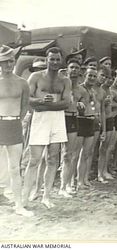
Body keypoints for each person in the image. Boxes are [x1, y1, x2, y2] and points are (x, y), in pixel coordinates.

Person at [22, 47, 71, 209]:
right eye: (52, 59)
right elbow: (27, 99)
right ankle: (25, 197)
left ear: (61, 60)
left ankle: (46, 196)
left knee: (52, 159)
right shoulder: (36, 76)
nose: (55, 62)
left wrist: (50, 105)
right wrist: (41, 102)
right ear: (47, 59)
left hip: (57, 120)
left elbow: (66, 103)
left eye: (58, 59)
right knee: (34, 159)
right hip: (40, 119)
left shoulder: (65, 80)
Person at [0, 45, 33, 216]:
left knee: (15, 168)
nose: (8, 65)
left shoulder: (22, 83)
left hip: (13, 126)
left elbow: (25, 106)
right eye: (4, 62)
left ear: (14, 62)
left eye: (10, 61)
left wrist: (16, 121)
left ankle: (18, 205)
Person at [59, 59, 87, 196]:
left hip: (72, 118)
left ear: (80, 71)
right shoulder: (60, 83)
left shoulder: (82, 90)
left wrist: (81, 106)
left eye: (77, 67)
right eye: (72, 67)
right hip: (59, 118)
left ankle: (66, 185)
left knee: (69, 154)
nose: (74, 70)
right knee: (50, 154)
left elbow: (84, 106)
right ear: (67, 69)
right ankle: (40, 185)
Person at [76, 68, 99, 189]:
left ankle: (84, 178)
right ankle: (77, 181)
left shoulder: (93, 91)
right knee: (76, 153)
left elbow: (94, 107)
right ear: (85, 75)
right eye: (90, 75)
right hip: (81, 121)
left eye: (94, 76)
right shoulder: (79, 89)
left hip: (91, 121)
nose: (92, 78)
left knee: (87, 153)